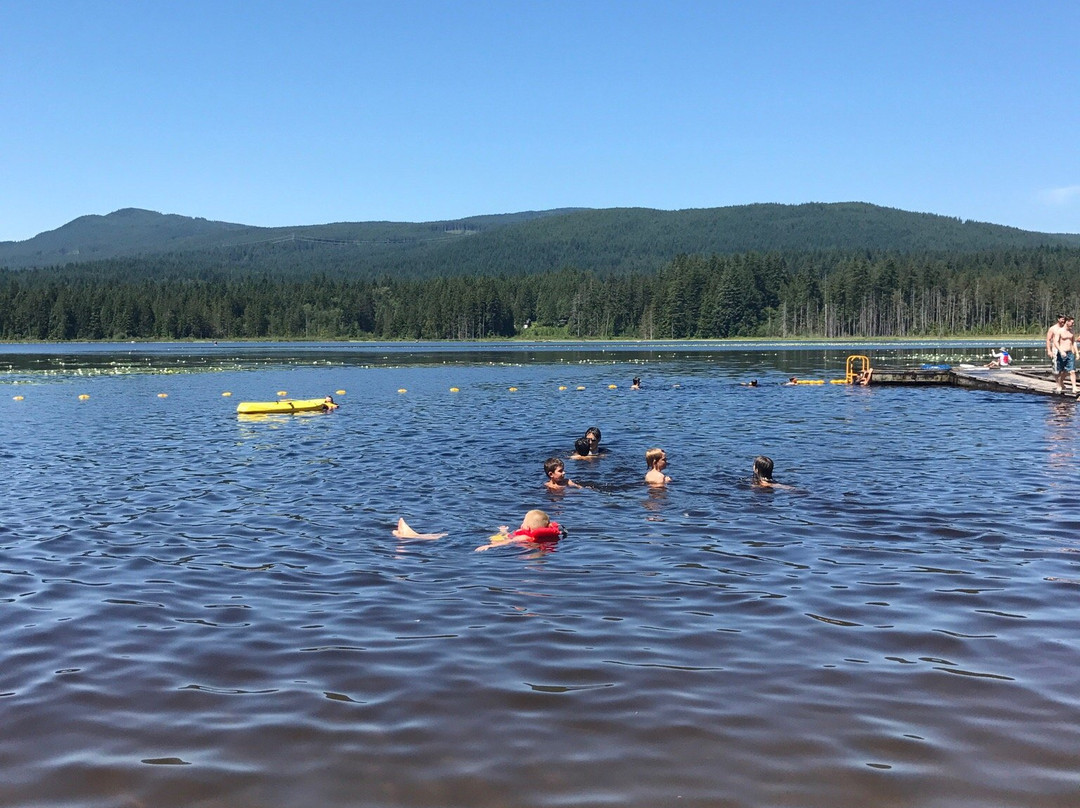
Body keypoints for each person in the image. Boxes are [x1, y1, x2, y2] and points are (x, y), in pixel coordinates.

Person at [474, 509, 565, 552]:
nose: (522, 524)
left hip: (506, 540)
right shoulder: (549, 538)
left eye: (524, 522)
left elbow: (509, 541)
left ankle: (503, 531)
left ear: (528, 528)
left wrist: (490, 546)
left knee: (501, 536)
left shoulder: (524, 537)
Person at [1051, 316, 1079, 394]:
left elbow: (1074, 342)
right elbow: (1055, 342)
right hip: (1061, 353)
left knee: (1072, 371)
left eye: (1073, 323)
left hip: (1070, 353)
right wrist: (1060, 350)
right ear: (1067, 322)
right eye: (1072, 322)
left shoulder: (1072, 331)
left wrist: (1076, 353)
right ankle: (1059, 385)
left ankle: (1074, 387)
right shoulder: (1060, 331)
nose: (1073, 324)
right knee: (1061, 371)